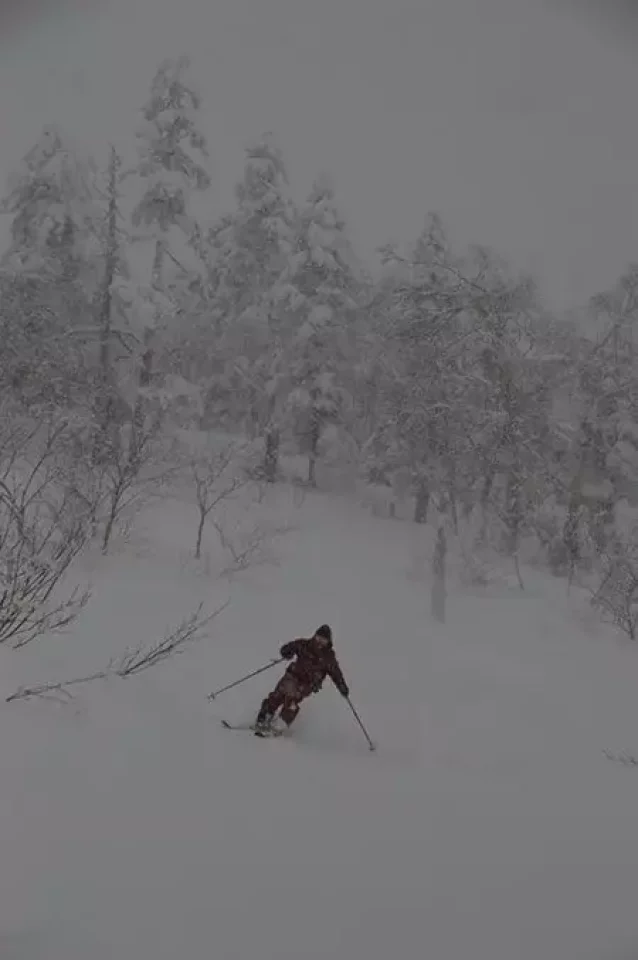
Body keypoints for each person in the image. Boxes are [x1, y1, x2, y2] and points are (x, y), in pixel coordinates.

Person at [255, 624, 349, 732]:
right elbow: (289, 647)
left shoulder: (328, 657)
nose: (320, 642)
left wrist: (342, 686)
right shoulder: (304, 644)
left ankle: (280, 725)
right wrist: (286, 652)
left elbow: (336, 674)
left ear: (328, 642)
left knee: (292, 699)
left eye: (323, 640)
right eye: (318, 638)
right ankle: (263, 718)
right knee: (278, 695)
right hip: (292, 675)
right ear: (314, 636)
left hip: (308, 683)